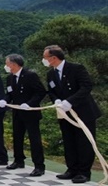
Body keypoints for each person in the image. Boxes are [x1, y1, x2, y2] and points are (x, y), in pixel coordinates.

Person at [43, 45, 101, 184]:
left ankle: (84, 172)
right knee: (68, 141)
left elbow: (86, 86)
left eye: (45, 57)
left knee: (83, 143)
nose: (43, 60)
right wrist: (56, 99)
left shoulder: (76, 68)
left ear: (53, 58)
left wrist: (70, 101)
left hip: (82, 111)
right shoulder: (51, 74)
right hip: (64, 113)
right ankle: (72, 169)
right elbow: (51, 91)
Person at [0, 54, 46, 176]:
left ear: (14, 64)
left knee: (34, 140)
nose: (6, 66)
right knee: (17, 137)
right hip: (17, 112)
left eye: (7, 64)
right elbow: (10, 93)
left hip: (30, 113)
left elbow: (40, 92)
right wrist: (5, 100)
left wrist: (30, 104)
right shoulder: (10, 78)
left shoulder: (30, 75)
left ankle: (39, 166)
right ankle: (18, 160)